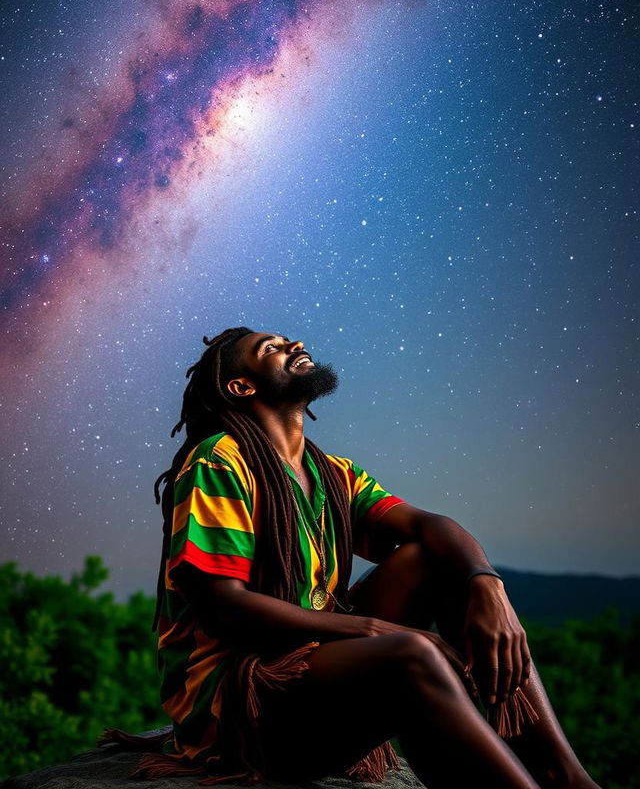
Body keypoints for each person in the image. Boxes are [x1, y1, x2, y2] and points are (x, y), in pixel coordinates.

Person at [102, 327, 601, 789]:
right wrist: (373, 630)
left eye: (287, 340)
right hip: (240, 700)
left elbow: (431, 527)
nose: (292, 344)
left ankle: (567, 775)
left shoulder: (332, 474)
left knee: (437, 563)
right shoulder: (218, 460)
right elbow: (222, 604)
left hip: (314, 662)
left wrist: (488, 587)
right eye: (270, 349)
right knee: (414, 654)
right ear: (241, 387)